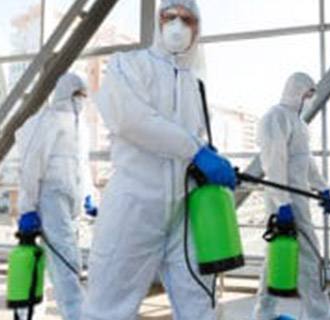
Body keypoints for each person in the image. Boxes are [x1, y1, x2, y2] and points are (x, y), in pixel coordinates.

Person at [82, 0, 235, 319]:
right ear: (158, 21)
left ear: (197, 29)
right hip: (135, 205)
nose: (177, 25)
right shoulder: (129, 64)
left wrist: (206, 158)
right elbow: (130, 119)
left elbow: (194, 139)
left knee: (200, 303)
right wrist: (195, 150)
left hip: (185, 209)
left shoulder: (196, 85)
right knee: (108, 307)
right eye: (170, 16)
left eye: (187, 19)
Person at [253, 72, 330, 320]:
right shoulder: (275, 118)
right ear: (297, 91)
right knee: (310, 258)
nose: (309, 99)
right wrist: (283, 204)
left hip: (297, 200)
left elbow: (305, 161)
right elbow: (273, 164)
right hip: (285, 201)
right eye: (308, 94)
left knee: (274, 257)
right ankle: (321, 316)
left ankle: (264, 314)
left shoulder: (299, 124)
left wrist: (322, 188)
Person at [16, 72, 97, 320]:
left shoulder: (80, 127)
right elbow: (31, 165)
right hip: (49, 199)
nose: (81, 101)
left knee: (50, 260)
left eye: (84, 96)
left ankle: (27, 312)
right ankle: (76, 315)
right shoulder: (48, 121)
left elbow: (82, 165)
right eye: (78, 95)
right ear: (65, 94)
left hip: (69, 203)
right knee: (66, 261)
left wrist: (89, 196)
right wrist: (27, 206)